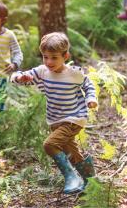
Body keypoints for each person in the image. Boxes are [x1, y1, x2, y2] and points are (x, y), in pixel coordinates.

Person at [10, 32, 98, 194]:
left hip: (74, 118)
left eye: (54, 57)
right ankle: (91, 181)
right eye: (45, 57)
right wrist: (21, 78)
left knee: (50, 144)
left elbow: (88, 85)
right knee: (71, 151)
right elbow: (16, 76)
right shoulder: (43, 72)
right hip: (55, 120)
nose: (49, 62)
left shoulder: (73, 73)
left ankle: (71, 176)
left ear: (66, 56)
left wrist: (91, 99)